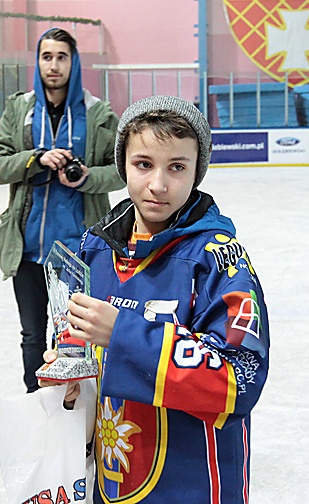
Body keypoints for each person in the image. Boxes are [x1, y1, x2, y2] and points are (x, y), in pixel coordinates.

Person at [44, 96, 270, 503]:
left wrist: (124, 334)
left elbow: (240, 382)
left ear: (197, 172)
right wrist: (72, 381)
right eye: (143, 164)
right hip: (115, 479)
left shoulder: (220, 259)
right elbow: (80, 350)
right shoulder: (93, 249)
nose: (159, 185)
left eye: (177, 167)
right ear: (122, 165)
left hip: (193, 484)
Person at [0, 27, 124, 392]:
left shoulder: (97, 114)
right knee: (33, 336)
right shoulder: (19, 110)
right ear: (37, 61)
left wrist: (85, 178)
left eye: (61, 57)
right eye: (46, 57)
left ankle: (70, 409)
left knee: (72, 337)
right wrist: (35, 159)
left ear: (74, 62)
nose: (53, 65)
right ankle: (36, 407)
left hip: (78, 249)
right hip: (29, 247)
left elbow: (120, 172)